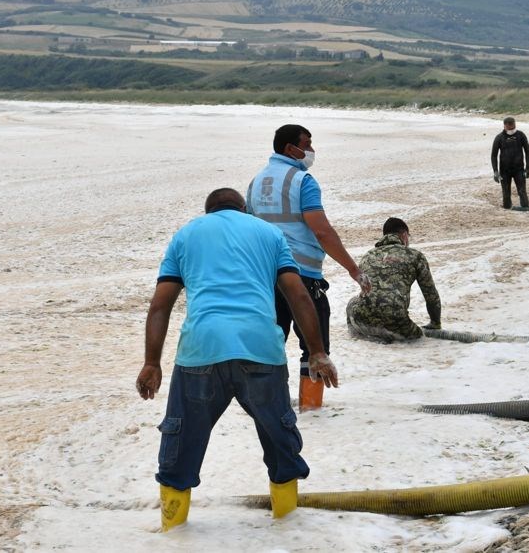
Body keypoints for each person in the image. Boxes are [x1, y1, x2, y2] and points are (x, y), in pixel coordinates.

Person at [136, 188, 339, 531]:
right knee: (279, 439)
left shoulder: (185, 235)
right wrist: (317, 352)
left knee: (181, 442)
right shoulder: (268, 233)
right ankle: (289, 528)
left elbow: (160, 304)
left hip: (201, 350)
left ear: (208, 211)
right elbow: (297, 294)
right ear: (243, 209)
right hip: (260, 347)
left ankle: (172, 533)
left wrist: (151, 362)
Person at [247, 124, 370, 411]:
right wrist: (353, 269)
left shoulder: (255, 182)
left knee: (271, 343)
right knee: (315, 348)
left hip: (265, 278)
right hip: (302, 275)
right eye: (308, 143)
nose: (312, 150)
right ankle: (311, 408)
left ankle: (269, 405)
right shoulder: (303, 181)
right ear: (291, 149)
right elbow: (322, 232)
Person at [346, 217, 442, 343]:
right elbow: (431, 294)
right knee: (413, 333)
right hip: (397, 323)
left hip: (360, 319)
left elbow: (370, 293)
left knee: (353, 302)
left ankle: (357, 334)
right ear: (404, 235)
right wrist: (435, 323)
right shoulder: (415, 256)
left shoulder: (367, 256)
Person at [490, 116, 529, 210]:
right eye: (510, 128)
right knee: (506, 192)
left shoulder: (521, 135)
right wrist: (495, 171)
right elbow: (493, 156)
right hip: (505, 170)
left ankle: (525, 207)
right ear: (505, 126)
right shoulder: (499, 138)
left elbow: (528, 152)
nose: (512, 129)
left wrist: (528, 168)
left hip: (519, 169)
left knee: (522, 191)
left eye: (513, 127)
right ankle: (507, 207)